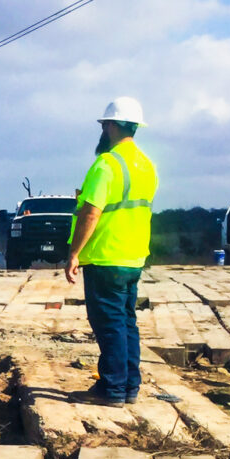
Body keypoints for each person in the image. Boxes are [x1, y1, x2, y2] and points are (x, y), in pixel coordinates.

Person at [65, 97, 157, 405]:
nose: (103, 129)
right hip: (134, 257)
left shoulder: (106, 164)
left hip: (106, 256)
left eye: (105, 124)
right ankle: (130, 386)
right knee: (126, 322)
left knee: (110, 324)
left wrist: (74, 253)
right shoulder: (146, 165)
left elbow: (91, 212)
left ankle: (113, 388)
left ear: (112, 126)